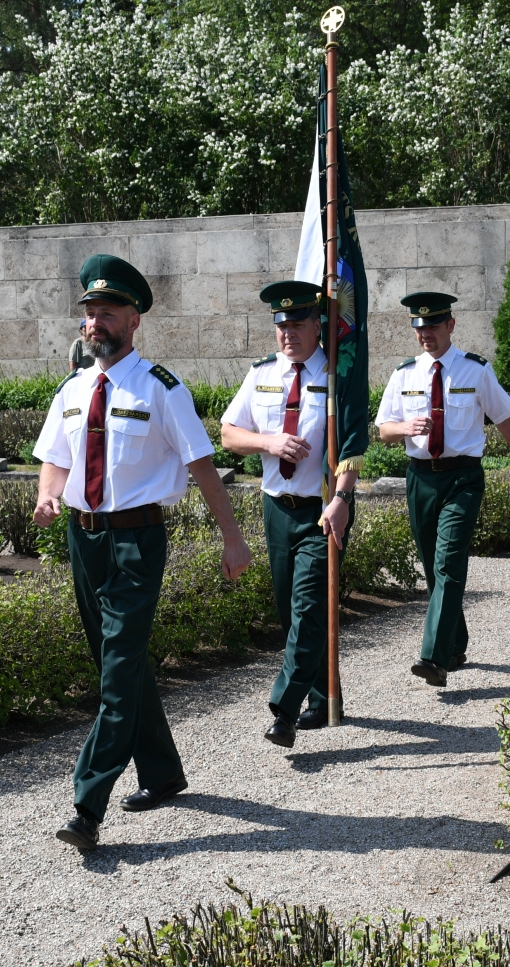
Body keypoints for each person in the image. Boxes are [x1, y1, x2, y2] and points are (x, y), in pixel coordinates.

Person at [32, 253, 252, 851]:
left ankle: (87, 806)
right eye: (90, 312)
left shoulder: (161, 388)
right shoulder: (72, 389)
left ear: (134, 321)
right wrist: (49, 495)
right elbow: (55, 458)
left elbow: (202, 466)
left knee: (118, 669)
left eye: (108, 312)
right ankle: (163, 772)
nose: (95, 322)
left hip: (136, 540)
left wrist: (233, 538)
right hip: (84, 537)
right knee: (117, 662)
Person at [375, 292, 510, 688]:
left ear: (450, 325)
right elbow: (384, 429)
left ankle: (434, 658)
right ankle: (455, 643)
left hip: (462, 478)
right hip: (420, 479)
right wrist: (404, 428)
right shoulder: (404, 374)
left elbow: (505, 421)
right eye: (419, 327)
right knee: (433, 567)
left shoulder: (476, 371)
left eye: (433, 326)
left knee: (448, 562)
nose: (425, 334)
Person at [219, 281, 358, 748]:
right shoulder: (262, 373)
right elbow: (229, 433)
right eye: (281, 325)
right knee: (291, 612)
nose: (287, 333)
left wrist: (343, 499)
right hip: (276, 508)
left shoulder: (338, 373)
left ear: (317, 325)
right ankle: (322, 696)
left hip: (323, 509)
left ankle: (284, 711)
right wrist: (269, 442)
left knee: (308, 607)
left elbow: (352, 444)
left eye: (297, 324)